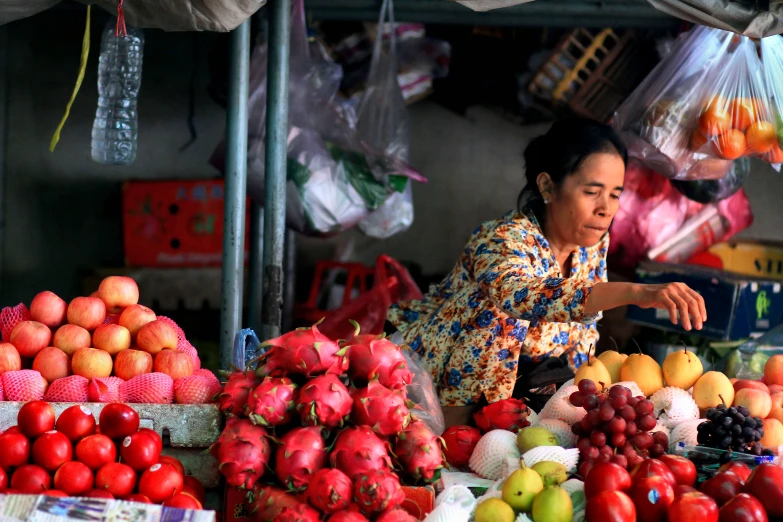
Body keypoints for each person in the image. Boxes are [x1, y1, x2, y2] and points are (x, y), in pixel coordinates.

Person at [387, 118, 707, 427]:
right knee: (495, 314)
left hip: (517, 387)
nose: (606, 208)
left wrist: (584, 397)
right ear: (548, 187)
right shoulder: (501, 239)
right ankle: (452, 433)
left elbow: (585, 331)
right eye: (592, 192)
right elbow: (522, 297)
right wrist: (636, 292)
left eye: (614, 194)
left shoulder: (591, 241)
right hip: (427, 379)